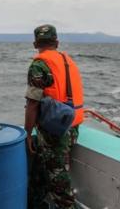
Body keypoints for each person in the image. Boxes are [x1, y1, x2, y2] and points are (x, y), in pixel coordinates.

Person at [25, 24, 84, 209]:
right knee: (38, 178)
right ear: (57, 42)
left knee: (60, 188)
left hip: (54, 134)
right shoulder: (67, 61)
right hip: (72, 127)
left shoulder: (39, 65)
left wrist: (27, 133)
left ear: (35, 44)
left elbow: (33, 103)